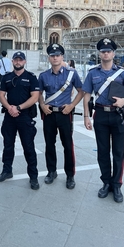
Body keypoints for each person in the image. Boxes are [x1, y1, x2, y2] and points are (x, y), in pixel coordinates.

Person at [82, 38, 124, 203]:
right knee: (102, 151)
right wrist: (86, 116)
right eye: (103, 51)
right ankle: (106, 182)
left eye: (108, 51)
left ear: (114, 53)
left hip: (118, 115)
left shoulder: (123, 73)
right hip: (100, 114)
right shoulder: (93, 73)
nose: (105, 53)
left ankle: (117, 185)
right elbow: (86, 95)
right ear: (99, 53)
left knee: (118, 152)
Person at [38, 44, 83, 189]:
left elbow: (81, 91)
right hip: (49, 113)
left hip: (65, 114)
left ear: (62, 57)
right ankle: (52, 171)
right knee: (49, 144)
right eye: (52, 55)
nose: (55, 57)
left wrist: (71, 106)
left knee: (68, 145)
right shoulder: (43, 75)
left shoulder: (71, 73)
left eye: (58, 55)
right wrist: (42, 105)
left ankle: (70, 175)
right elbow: (38, 93)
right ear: (49, 58)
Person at [0, 51, 40, 190]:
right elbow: (1, 94)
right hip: (9, 116)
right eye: (16, 60)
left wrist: (19, 107)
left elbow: (35, 97)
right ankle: (7, 170)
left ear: (24, 62)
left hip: (25, 116)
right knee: (8, 145)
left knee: (28, 147)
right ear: (12, 61)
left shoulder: (31, 77)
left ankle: (33, 177)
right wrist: (9, 107)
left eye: (20, 60)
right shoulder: (7, 77)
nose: (18, 62)